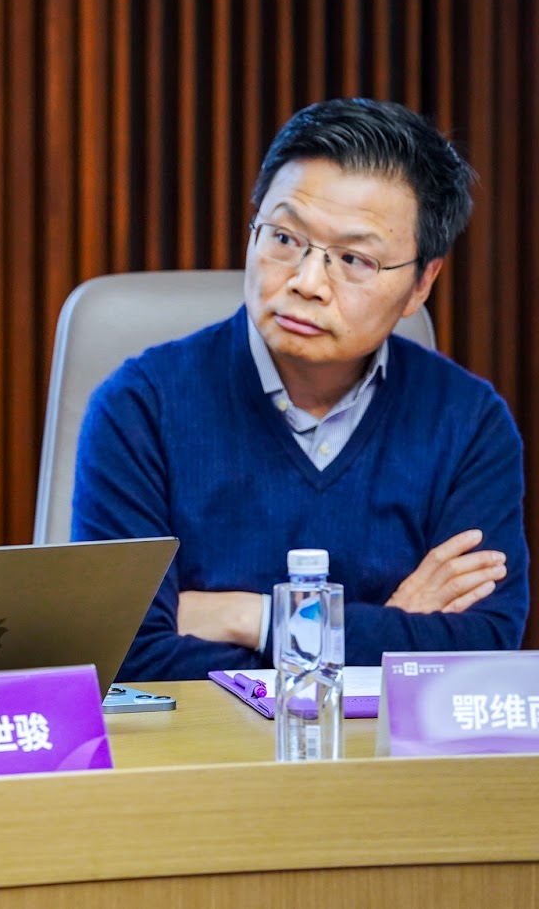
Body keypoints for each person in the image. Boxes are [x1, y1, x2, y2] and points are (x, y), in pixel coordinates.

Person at [73, 98, 529, 682]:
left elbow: (482, 646)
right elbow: (132, 656)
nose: (307, 282)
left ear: (421, 283)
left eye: (353, 259)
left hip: (389, 770)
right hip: (208, 766)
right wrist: (381, 635)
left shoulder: (468, 423)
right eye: (285, 238)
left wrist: (254, 617)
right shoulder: (140, 408)